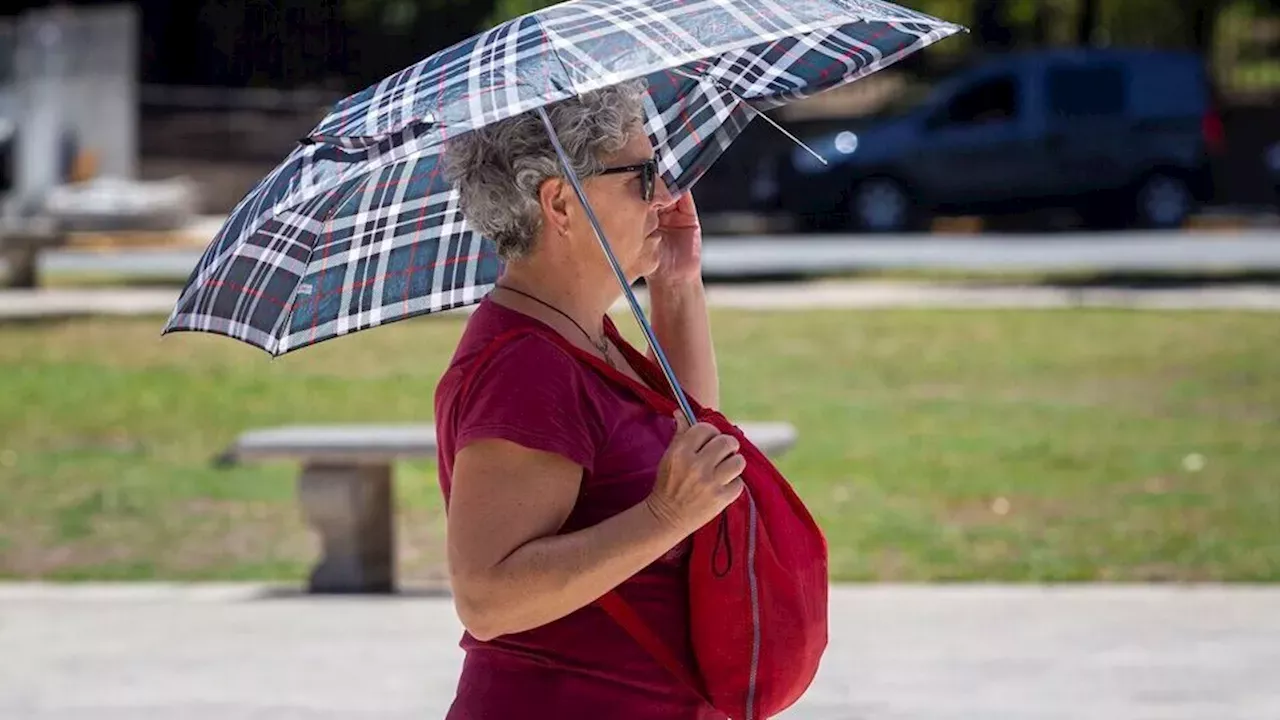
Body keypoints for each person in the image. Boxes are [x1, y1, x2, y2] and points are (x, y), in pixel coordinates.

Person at [434, 79, 745, 719]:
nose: (664, 196)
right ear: (561, 204)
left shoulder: (580, 332)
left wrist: (677, 287)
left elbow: (687, 436)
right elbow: (489, 599)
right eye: (642, 174)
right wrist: (664, 517)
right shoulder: (525, 368)